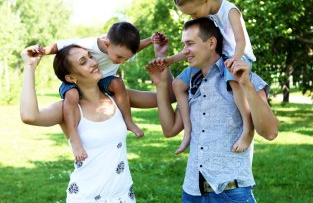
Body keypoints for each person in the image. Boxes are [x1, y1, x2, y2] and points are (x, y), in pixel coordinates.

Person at [146, 17, 279, 202]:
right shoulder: (190, 82)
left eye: (190, 43)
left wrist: (247, 85)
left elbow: (271, 132)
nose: (185, 51)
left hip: (231, 192)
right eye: (184, 44)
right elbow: (170, 130)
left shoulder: (242, 76)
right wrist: (161, 84)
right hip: (192, 191)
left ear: (211, 43)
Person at [21, 44, 139, 202]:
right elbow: (29, 116)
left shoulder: (117, 97)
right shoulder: (68, 108)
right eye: (83, 62)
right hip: (86, 197)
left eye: (90, 56)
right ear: (71, 78)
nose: (93, 62)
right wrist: (29, 66)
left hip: (123, 195)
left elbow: (168, 96)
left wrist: (164, 66)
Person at [35, 22, 166, 162]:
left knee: (117, 83)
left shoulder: (119, 48)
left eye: (125, 58)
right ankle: (74, 139)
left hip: (101, 82)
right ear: (107, 44)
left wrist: (150, 40)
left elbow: (131, 48)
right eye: (120, 57)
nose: (122, 62)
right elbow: (58, 46)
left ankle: (128, 120)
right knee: (72, 95)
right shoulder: (89, 45)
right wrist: (43, 51)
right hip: (73, 83)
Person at [161, 0, 257, 154]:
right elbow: (197, 46)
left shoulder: (230, 10)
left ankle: (247, 129)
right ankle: (188, 130)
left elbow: (240, 40)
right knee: (178, 83)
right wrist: (171, 60)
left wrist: (235, 60)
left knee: (233, 80)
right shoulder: (205, 15)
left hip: (238, 56)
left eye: (194, 13)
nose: (193, 18)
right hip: (217, 59)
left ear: (206, 0)